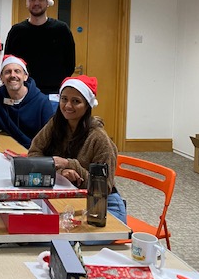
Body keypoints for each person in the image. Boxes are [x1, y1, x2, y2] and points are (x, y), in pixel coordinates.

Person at [27, 75, 126, 224]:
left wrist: (70, 164)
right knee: (41, 230)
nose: (67, 106)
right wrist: (60, 172)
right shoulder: (56, 124)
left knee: (75, 238)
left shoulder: (99, 139)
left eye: (76, 101)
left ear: (87, 105)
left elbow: (103, 188)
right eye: (64, 99)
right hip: (69, 198)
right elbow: (33, 155)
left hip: (103, 206)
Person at [0, 55, 54, 149]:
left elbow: (50, 138)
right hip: (7, 148)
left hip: (33, 153)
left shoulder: (42, 102)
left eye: (17, 71)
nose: (12, 75)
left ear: (25, 76)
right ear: (2, 78)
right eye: (7, 72)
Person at [4, 0, 75, 96]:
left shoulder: (61, 29)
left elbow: (69, 64)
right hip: (23, 93)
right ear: (27, 3)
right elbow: (8, 62)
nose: (36, 3)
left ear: (47, 3)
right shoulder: (16, 31)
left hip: (53, 94)